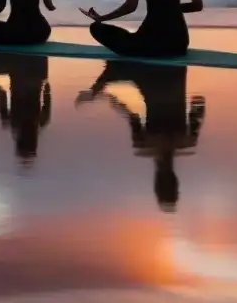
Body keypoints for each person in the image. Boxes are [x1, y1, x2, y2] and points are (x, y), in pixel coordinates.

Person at [75, 61, 206, 212]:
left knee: (117, 67)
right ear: (156, 183)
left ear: (176, 181)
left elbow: (199, 103)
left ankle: (96, 90)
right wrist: (111, 100)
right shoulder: (143, 143)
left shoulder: (187, 141)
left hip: (173, 74)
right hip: (151, 76)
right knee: (115, 67)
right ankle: (95, 91)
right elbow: (132, 116)